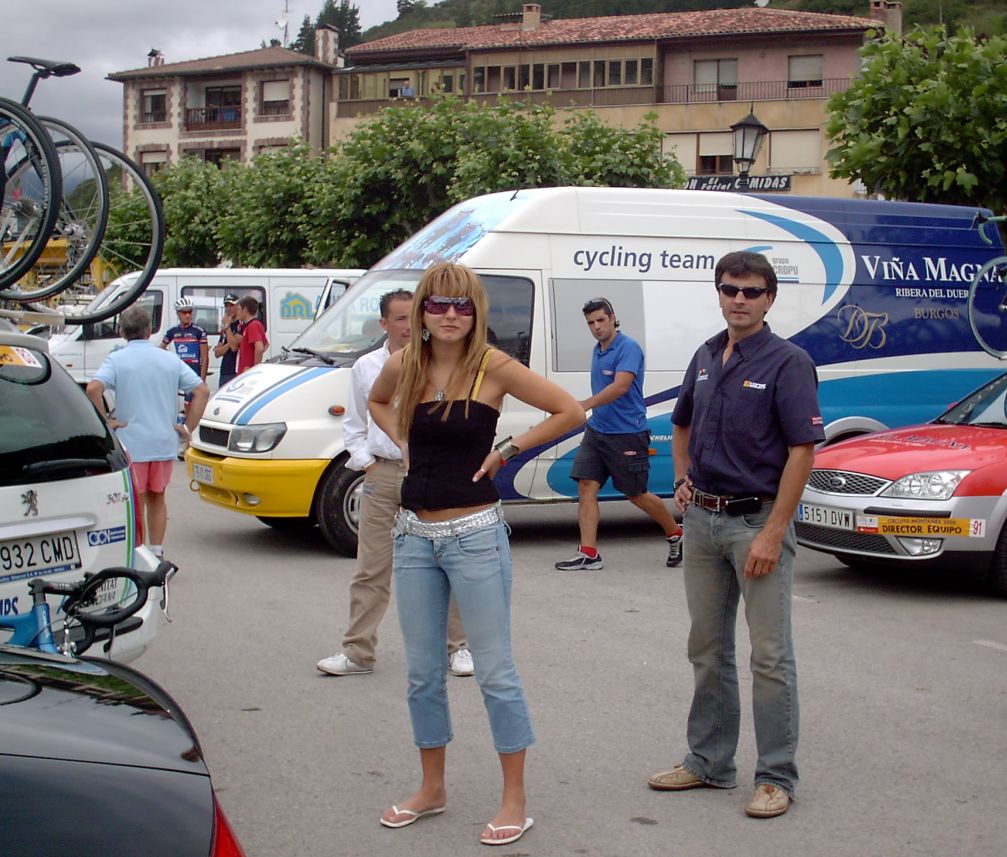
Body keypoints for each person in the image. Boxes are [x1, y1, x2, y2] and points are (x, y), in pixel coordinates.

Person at [369, 262, 584, 846]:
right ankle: (431, 788)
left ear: (476, 312)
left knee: (494, 672)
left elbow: (570, 411)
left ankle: (514, 799)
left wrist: (508, 450)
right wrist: (403, 441)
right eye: (437, 304)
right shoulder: (406, 363)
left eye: (461, 305)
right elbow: (378, 401)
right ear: (421, 310)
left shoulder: (494, 366)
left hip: (475, 536)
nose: (449, 315)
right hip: (413, 536)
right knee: (421, 673)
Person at [647, 251, 824, 819]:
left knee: (769, 657)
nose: (739, 299)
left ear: (770, 298)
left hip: (755, 523)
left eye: (751, 291)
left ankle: (775, 776)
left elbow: (802, 451)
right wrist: (681, 480)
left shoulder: (789, 362)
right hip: (702, 521)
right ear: (719, 294)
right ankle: (709, 762)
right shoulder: (705, 355)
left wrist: (774, 531)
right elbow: (680, 422)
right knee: (707, 648)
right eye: (730, 289)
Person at [316, 289, 474, 678]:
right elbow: (355, 424)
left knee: (448, 561)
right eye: (400, 319)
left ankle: (458, 648)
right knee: (371, 568)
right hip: (384, 474)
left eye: (413, 317)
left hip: (432, 472)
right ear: (384, 324)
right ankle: (358, 652)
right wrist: (367, 464)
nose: (408, 326)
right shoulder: (367, 367)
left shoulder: (440, 361)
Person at [555, 297, 684, 572]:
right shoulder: (598, 350)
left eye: (601, 320)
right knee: (586, 485)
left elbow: (621, 386)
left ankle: (675, 532)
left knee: (635, 493)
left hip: (627, 434)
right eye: (591, 323)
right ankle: (589, 553)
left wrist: (586, 404)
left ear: (613, 318)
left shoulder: (629, 348)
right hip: (597, 430)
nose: (596, 327)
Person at [86, 306, 209, 558]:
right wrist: (188, 427)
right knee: (158, 496)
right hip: (163, 440)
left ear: (122, 332)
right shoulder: (169, 359)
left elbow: (93, 389)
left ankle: (137, 552)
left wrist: (107, 422)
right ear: (150, 330)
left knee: (136, 499)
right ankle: (157, 551)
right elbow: (202, 391)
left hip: (132, 442)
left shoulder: (117, 359)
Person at [161, 296, 208, 382]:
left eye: (190, 312)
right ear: (178, 313)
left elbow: (205, 358)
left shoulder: (199, 331)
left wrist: (202, 380)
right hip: (180, 373)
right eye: (184, 312)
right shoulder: (172, 331)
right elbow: (160, 349)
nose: (187, 315)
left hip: (195, 374)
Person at [214, 293, 242, 388]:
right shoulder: (225, 327)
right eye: (226, 306)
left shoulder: (240, 325)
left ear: (238, 306)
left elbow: (234, 347)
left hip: (236, 370)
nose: (228, 308)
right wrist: (230, 342)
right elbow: (217, 353)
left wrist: (227, 327)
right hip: (225, 370)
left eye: (231, 305)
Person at [236, 295, 268, 374]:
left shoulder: (253, 325)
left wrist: (253, 368)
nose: (237, 312)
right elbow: (266, 344)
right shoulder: (248, 326)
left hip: (247, 373)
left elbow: (260, 348)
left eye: (239, 309)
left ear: (245, 310)